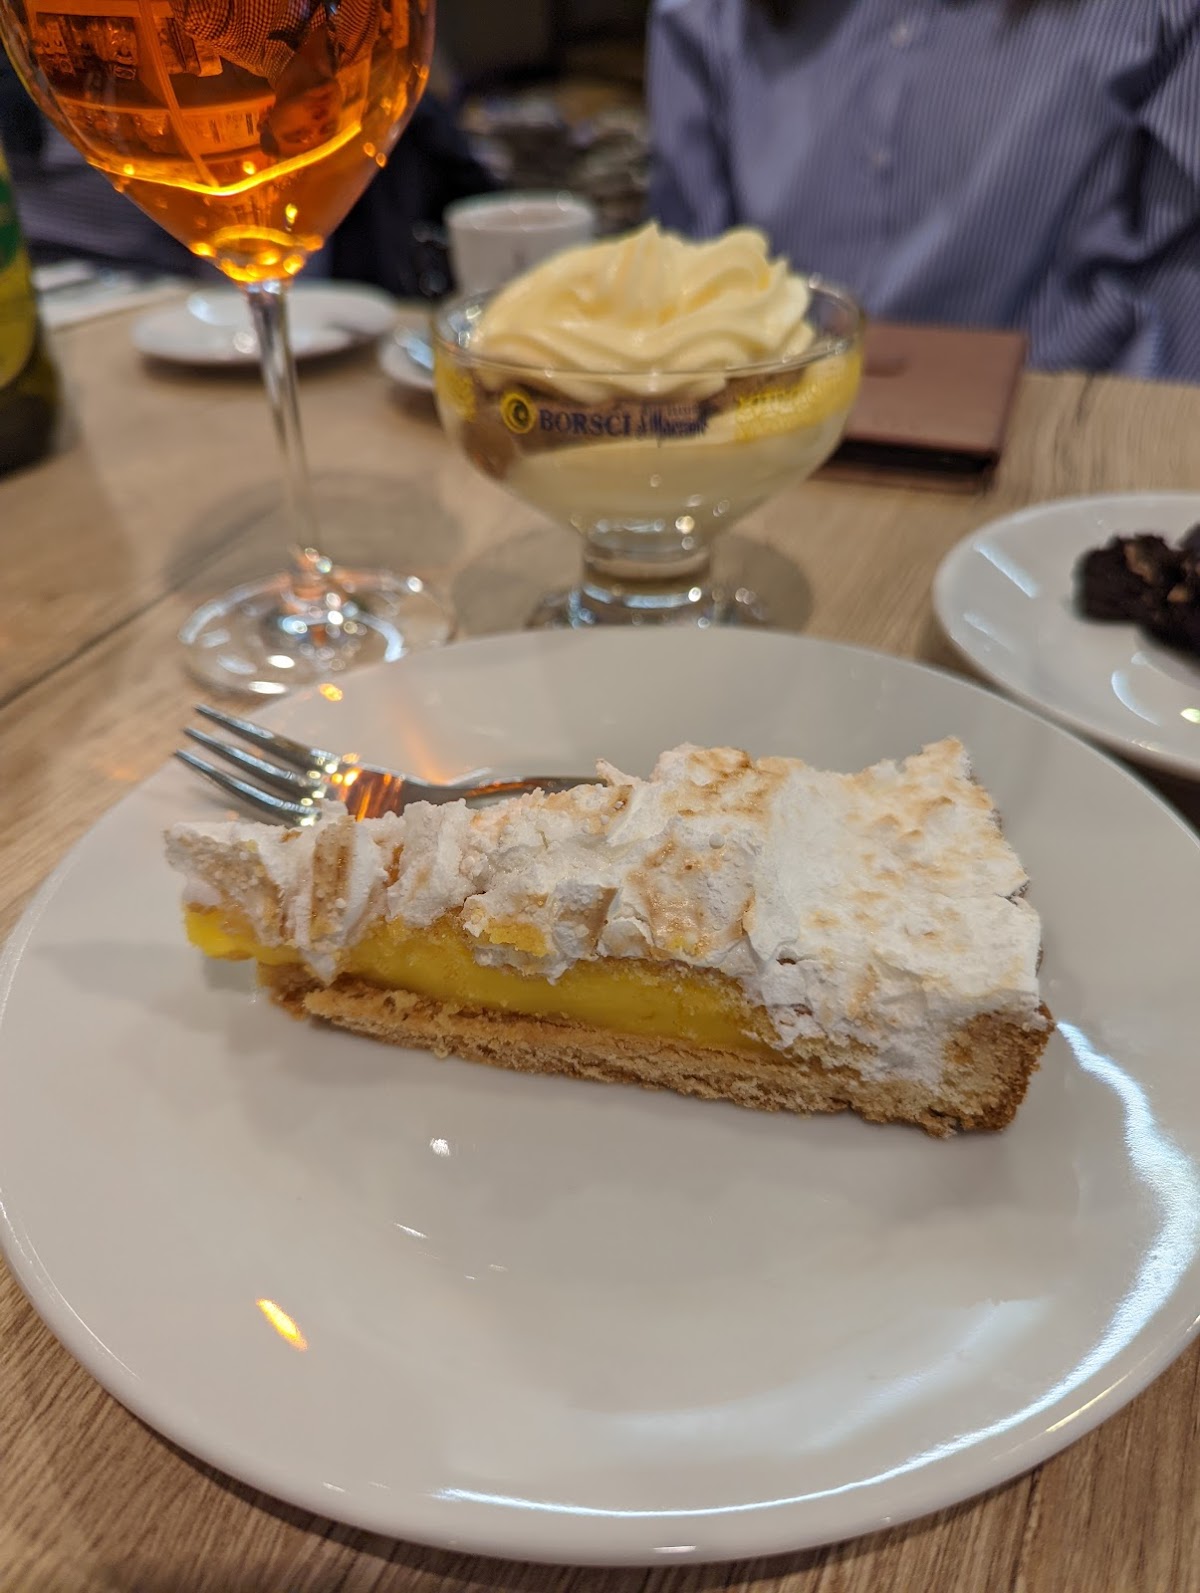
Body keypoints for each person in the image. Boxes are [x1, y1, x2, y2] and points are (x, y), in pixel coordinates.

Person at [647, 0, 1200, 381]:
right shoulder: (707, 16)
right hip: (761, 443)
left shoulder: (1153, 18)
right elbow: (684, 309)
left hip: (1061, 452)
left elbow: (1175, 353)